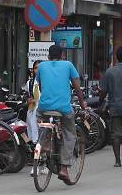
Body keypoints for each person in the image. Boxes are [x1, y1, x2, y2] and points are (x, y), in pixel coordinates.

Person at [36, 44, 88, 181]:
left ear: (48, 56)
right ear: (62, 55)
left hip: (44, 107)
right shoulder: (68, 65)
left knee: (40, 120)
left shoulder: (41, 66)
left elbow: (40, 86)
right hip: (64, 108)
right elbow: (77, 87)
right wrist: (82, 103)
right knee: (69, 134)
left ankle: (44, 142)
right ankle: (64, 168)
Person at [23, 60, 42, 144]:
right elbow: (27, 94)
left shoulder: (47, 81)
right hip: (32, 109)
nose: (37, 70)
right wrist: (28, 99)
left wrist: (37, 99)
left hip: (43, 109)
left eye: (39, 68)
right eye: (35, 68)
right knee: (31, 126)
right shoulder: (30, 82)